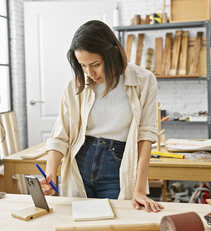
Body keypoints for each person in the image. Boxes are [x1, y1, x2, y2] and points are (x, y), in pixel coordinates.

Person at [40, 20, 163, 213]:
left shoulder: (144, 80)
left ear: (112, 53)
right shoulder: (74, 86)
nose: (90, 73)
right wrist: (50, 173)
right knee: (79, 226)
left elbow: (145, 137)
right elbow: (60, 136)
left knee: (117, 224)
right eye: (83, 66)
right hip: (81, 162)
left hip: (118, 165)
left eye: (95, 64)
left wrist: (139, 189)